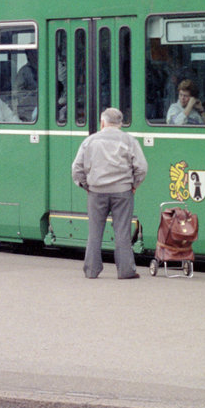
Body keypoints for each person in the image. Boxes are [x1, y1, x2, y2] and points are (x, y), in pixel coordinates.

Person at [71, 108, 148, 280]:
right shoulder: (130, 141)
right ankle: (126, 271)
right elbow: (141, 168)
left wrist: (86, 185)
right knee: (122, 231)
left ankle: (91, 271)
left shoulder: (90, 141)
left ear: (102, 122)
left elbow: (76, 169)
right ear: (121, 124)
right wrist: (134, 185)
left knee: (95, 232)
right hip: (122, 192)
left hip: (96, 192)